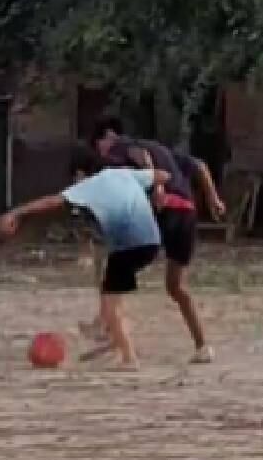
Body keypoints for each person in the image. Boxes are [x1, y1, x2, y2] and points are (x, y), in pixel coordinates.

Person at [0, 165, 171, 371]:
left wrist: (16, 213)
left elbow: (51, 201)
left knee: (111, 305)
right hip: (152, 241)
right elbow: (164, 175)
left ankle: (129, 357)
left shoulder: (89, 186)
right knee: (111, 295)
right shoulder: (123, 174)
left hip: (129, 244)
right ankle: (115, 340)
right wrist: (158, 192)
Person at [88, 117, 227, 364]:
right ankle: (203, 346)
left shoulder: (121, 145)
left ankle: (110, 334)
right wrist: (213, 199)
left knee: (115, 269)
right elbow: (200, 166)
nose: (102, 154)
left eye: (98, 145)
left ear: (108, 136)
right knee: (176, 286)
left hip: (164, 211)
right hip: (186, 214)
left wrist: (157, 188)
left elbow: (140, 156)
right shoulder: (163, 150)